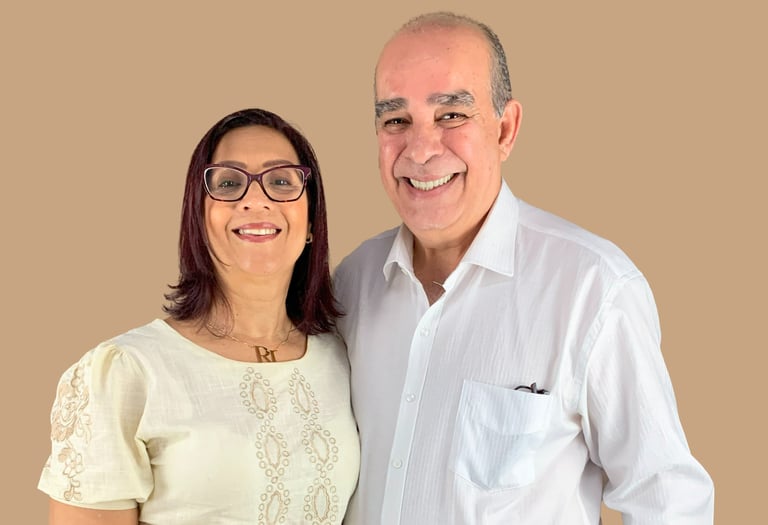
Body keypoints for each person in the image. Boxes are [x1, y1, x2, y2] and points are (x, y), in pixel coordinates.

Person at [333, 11, 714, 524]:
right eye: (395, 120)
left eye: (451, 115)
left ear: (506, 129)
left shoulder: (592, 289)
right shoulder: (351, 285)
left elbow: (669, 502)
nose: (420, 150)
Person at [38, 108, 360, 524]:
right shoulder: (127, 374)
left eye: (282, 181)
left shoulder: (343, 356)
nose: (256, 199)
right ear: (199, 218)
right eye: (229, 183)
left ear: (311, 219)